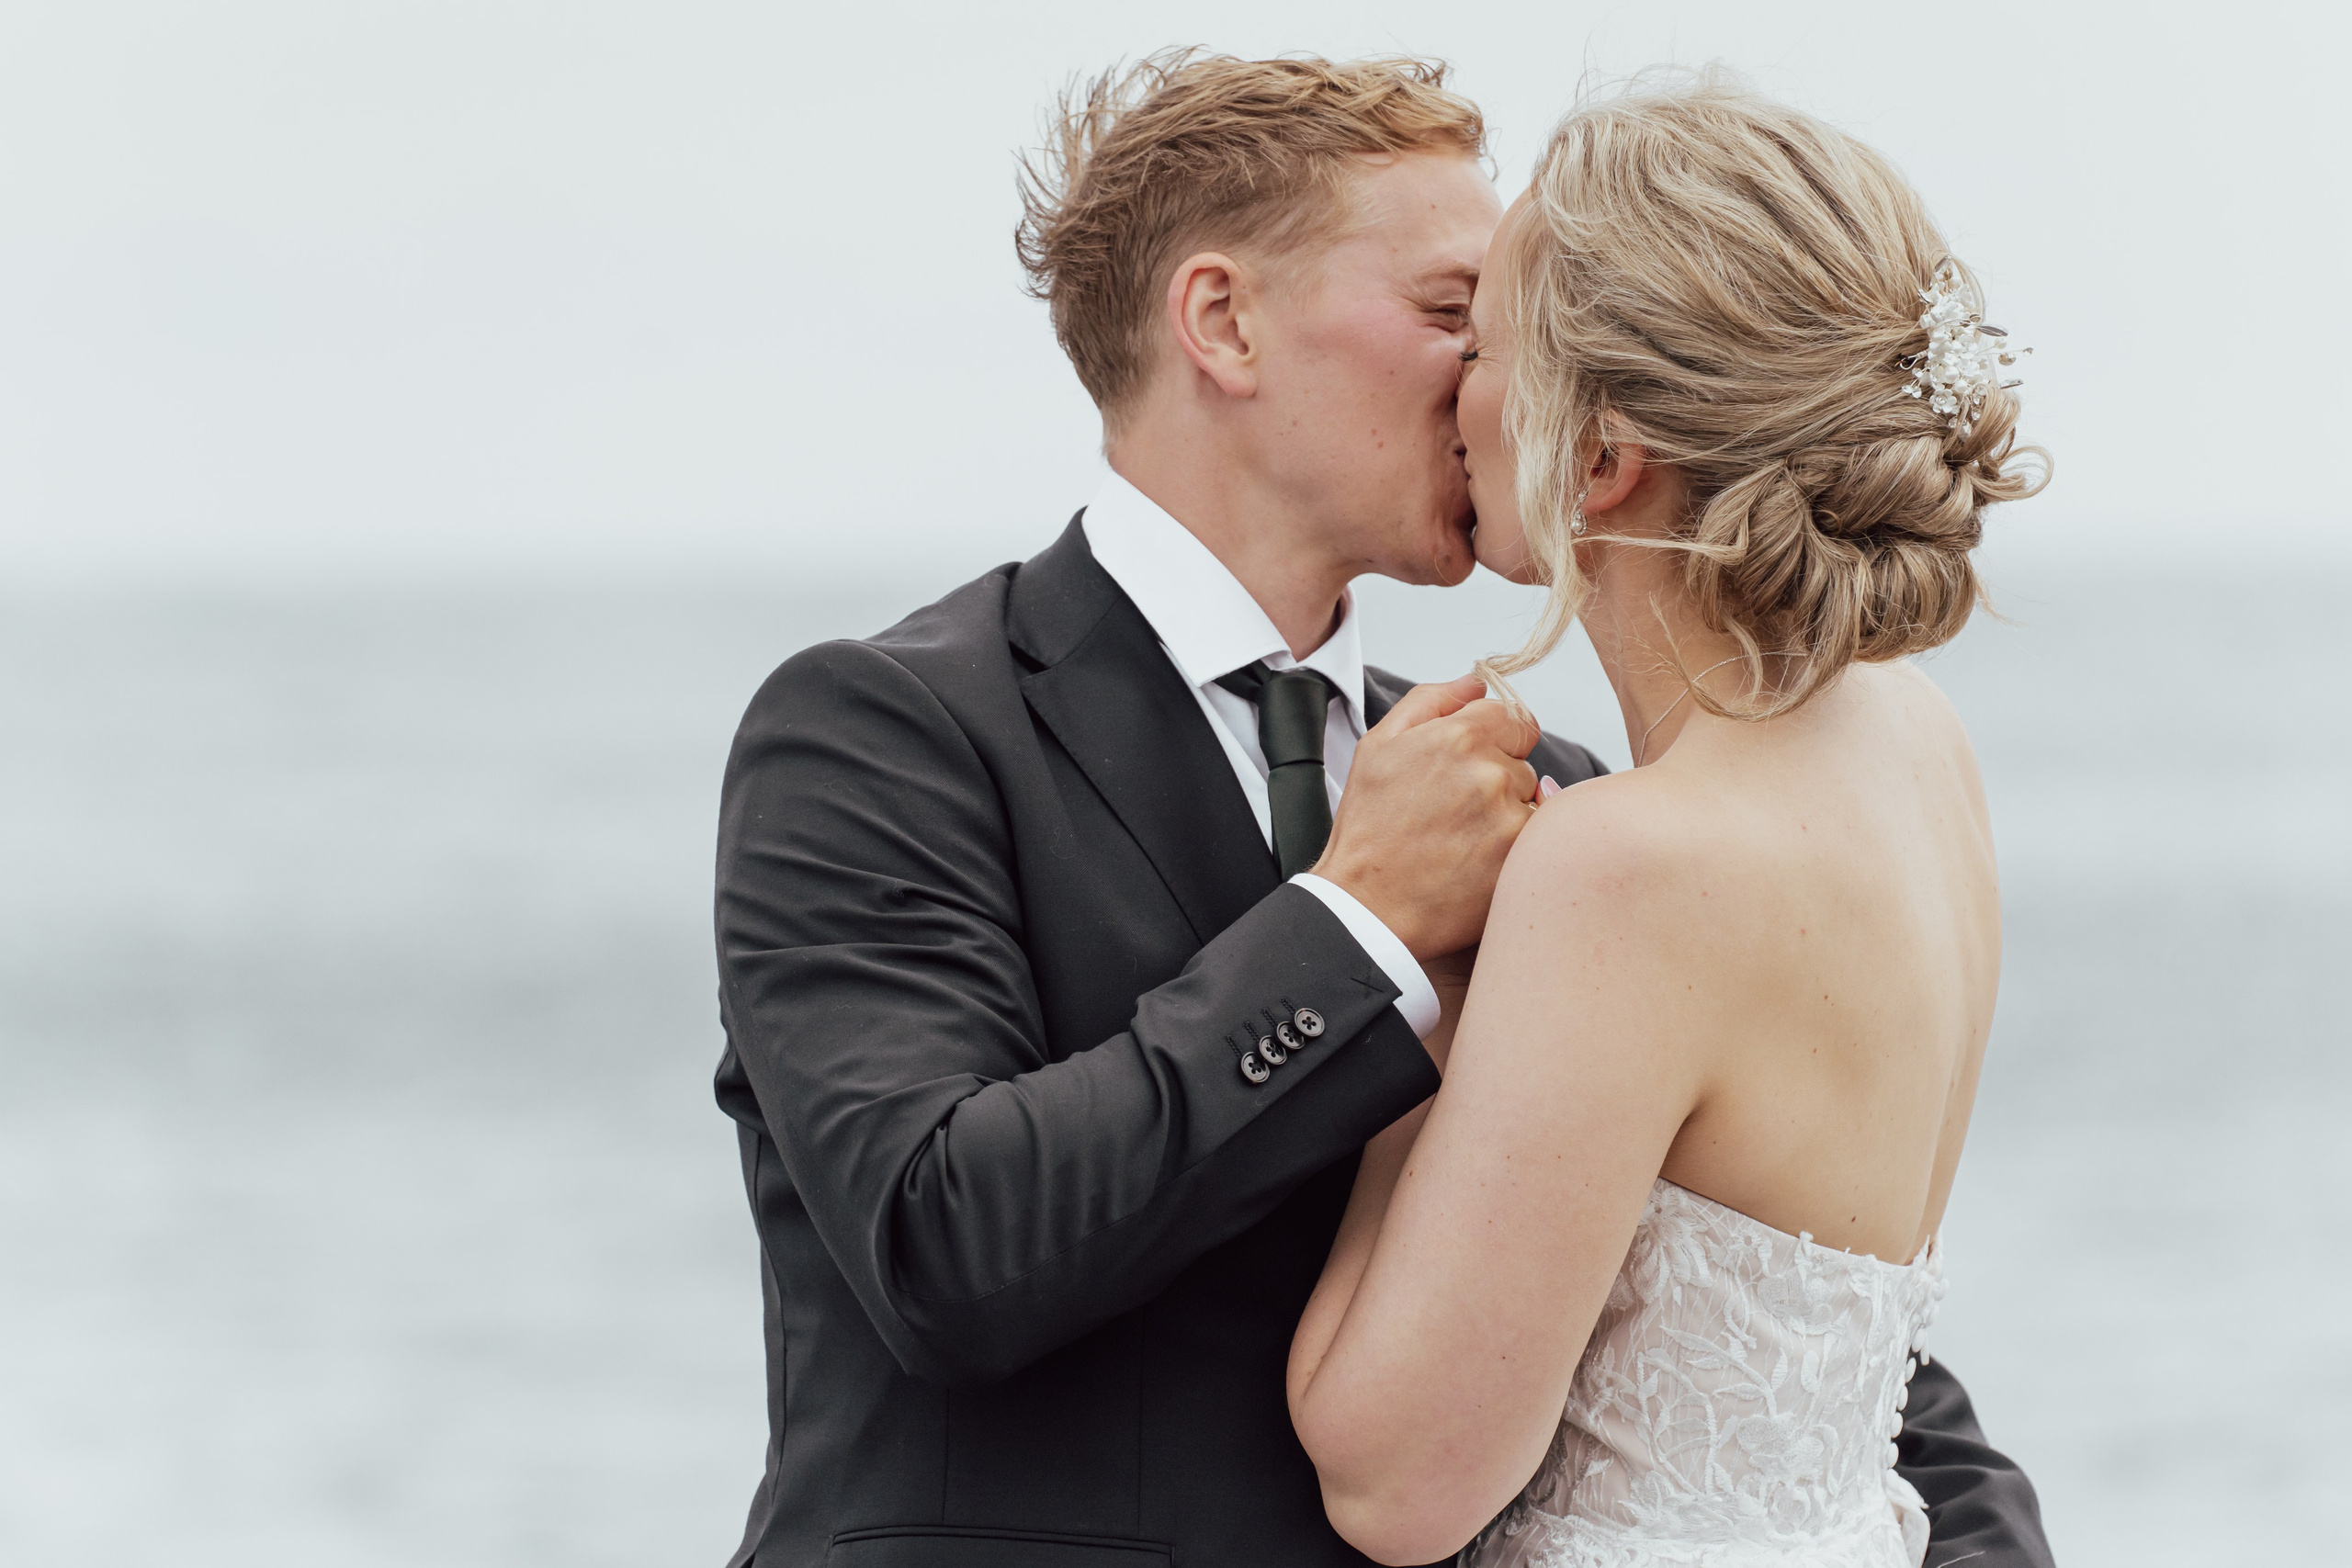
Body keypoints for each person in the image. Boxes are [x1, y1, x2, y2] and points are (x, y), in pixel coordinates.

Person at [711, 52, 2047, 1568]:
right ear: (1223, 323)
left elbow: (1796, 1334)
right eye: (1450, 315)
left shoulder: (1563, 811)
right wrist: (1356, 928)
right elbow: (939, 1247)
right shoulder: (885, 733)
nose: (1491, 372)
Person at [1284, 74, 2052, 1568]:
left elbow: (1393, 1487)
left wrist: (1416, 978)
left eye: (1490, 348)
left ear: (1602, 452)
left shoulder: (1628, 863)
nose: (1454, 391)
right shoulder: (1914, 737)